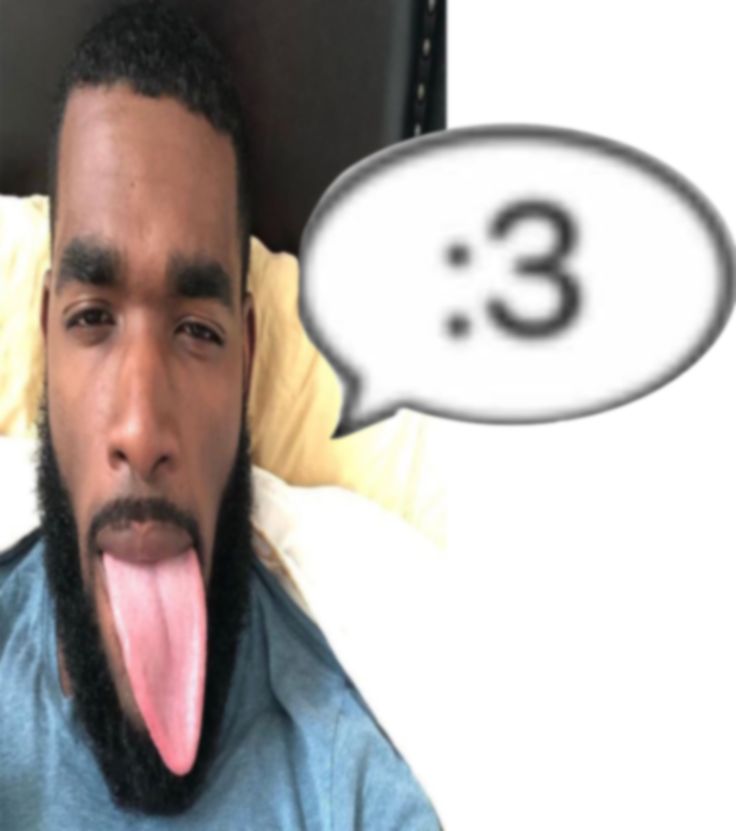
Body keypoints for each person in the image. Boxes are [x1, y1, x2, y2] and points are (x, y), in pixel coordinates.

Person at [0, 2, 440, 827]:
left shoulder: (345, 788)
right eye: (92, 318)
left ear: (249, 358)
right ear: (43, 336)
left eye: (198, 331)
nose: (141, 428)